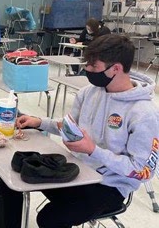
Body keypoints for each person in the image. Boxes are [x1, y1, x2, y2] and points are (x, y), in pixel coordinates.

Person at [16, 34, 159, 228]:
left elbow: (143, 171)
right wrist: (39, 122)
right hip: (78, 170)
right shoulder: (89, 92)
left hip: (110, 186)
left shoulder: (144, 114)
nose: (87, 70)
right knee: (17, 175)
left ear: (116, 68)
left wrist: (94, 150)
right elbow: (70, 127)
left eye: (94, 66)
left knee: (49, 218)